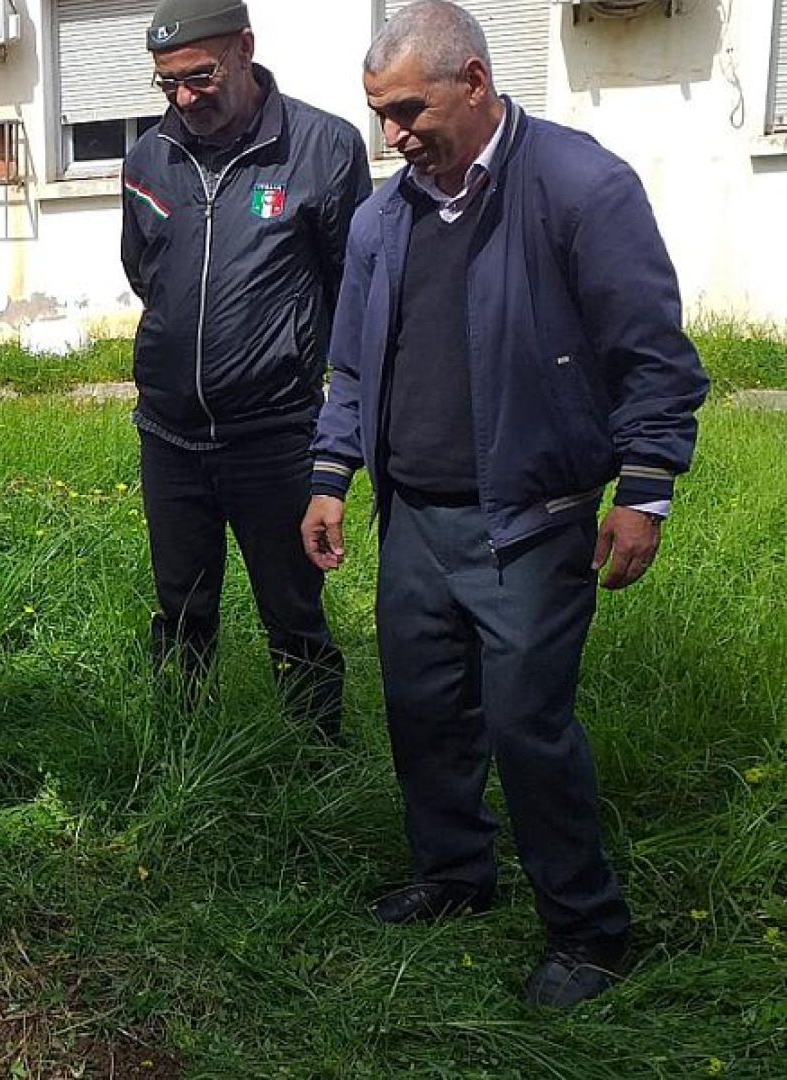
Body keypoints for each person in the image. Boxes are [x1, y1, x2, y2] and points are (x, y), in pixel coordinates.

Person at [301, 0, 708, 1008]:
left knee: (528, 725)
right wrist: (329, 473)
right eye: (379, 114)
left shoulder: (578, 186)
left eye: (407, 110)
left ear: (473, 82)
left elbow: (651, 356)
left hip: (529, 517)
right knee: (423, 713)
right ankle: (453, 876)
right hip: (416, 521)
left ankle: (587, 931)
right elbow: (351, 365)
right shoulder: (380, 219)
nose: (392, 135)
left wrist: (645, 490)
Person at [121, 0, 370, 739]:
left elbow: (350, 289)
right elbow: (145, 273)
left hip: (274, 438)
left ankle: (314, 759)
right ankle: (183, 748)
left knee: (292, 612)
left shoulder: (323, 147)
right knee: (181, 605)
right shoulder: (147, 157)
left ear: (244, 49)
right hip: (167, 435)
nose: (184, 99)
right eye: (166, 84)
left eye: (199, 78)